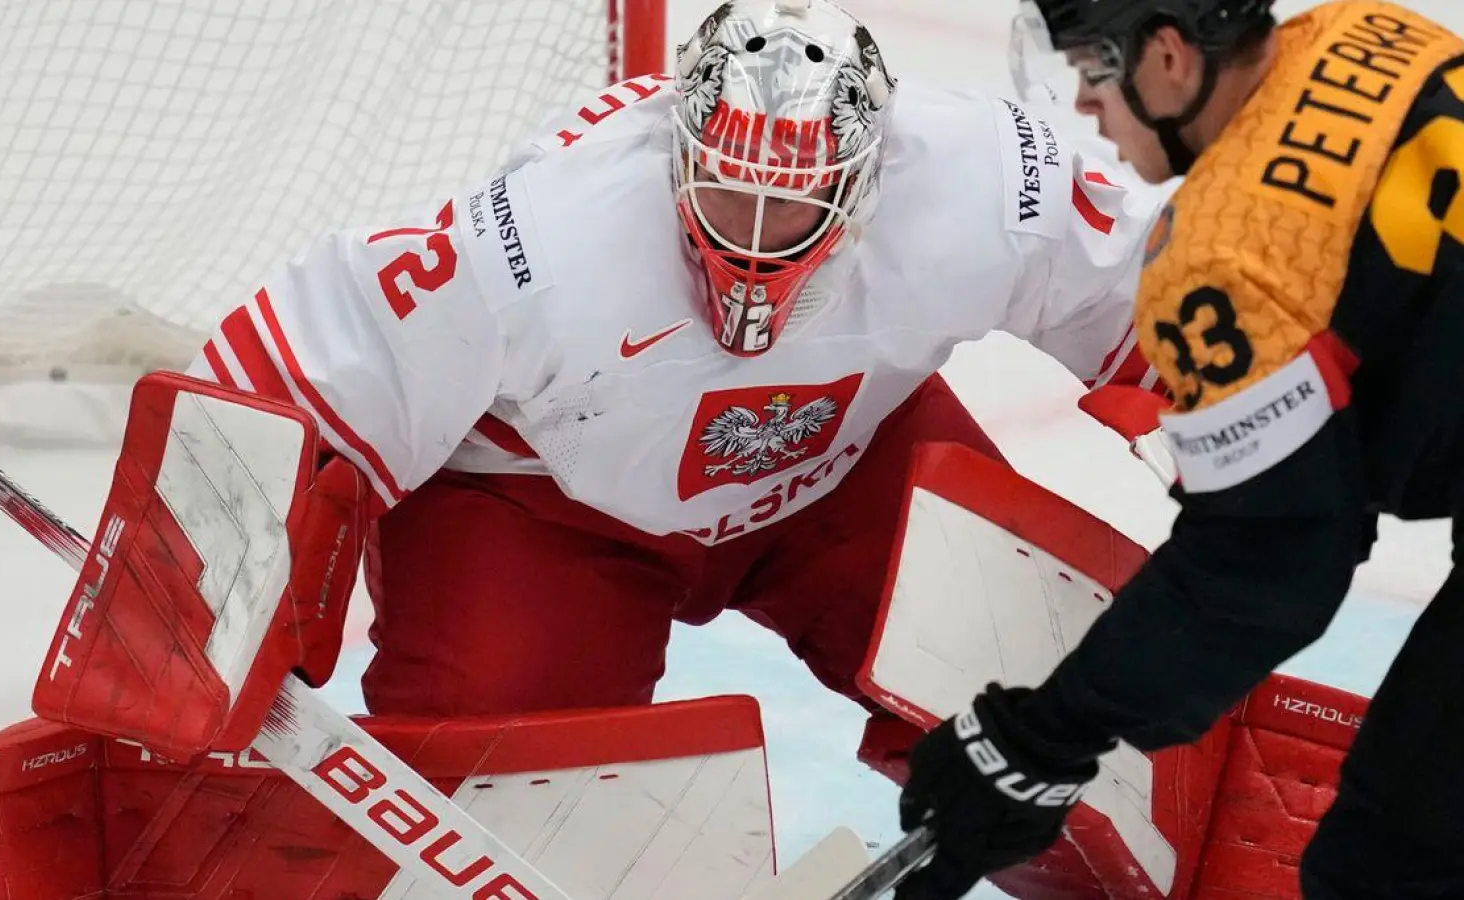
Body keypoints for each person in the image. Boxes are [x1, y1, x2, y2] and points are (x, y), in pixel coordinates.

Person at [195, 0, 1160, 823]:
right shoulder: (549, 226)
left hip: (842, 462)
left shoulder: (989, 178)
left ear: (868, 176)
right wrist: (192, 597)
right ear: (676, 146)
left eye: (784, 204)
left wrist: (1260, 463)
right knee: (490, 796)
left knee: (1069, 692)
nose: (747, 233)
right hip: (549, 507)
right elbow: (300, 364)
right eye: (724, 187)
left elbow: (1166, 305)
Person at [894, 1, 1464, 898]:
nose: (1084, 106)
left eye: (1091, 72)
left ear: (1167, 56)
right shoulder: (1372, 31)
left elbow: (1266, 570)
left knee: (1387, 867)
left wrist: (1040, 738)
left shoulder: (1225, 252)